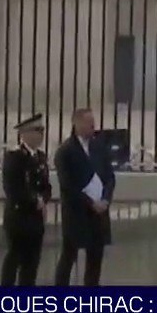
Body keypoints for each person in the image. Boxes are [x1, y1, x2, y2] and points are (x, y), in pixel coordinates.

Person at [53, 108, 114, 287]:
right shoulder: (65, 151)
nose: (93, 126)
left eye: (93, 122)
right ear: (77, 124)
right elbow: (67, 185)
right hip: (77, 213)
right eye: (89, 122)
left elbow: (109, 177)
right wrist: (89, 203)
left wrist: (105, 200)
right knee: (68, 257)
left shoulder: (99, 147)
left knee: (95, 260)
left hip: (99, 213)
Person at [0, 113, 51, 287]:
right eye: (37, 130)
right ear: (24, 133)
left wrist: (43, 198)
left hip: (36, 219)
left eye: (42, 130)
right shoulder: (14, 157)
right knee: (14, 259)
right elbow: (13, 187)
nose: (41, 134)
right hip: (19, 217)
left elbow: (46, 186)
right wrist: (34, 200)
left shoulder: (41, 157)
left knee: (32, 263)